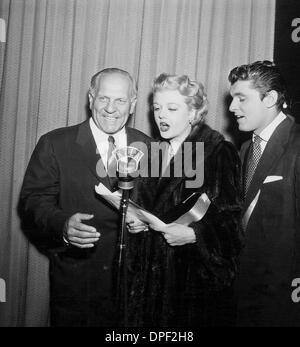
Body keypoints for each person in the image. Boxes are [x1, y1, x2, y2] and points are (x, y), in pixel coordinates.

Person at [19, 68, 152, 327]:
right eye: (103, 98)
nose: (111, 108)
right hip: (78, 286)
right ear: (91, 99)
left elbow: (159, 208)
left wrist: (147, 223)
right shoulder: (55, 143)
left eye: (120, 100)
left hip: (134, 288)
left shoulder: (150, 147)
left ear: (133, 104)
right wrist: (63, 224)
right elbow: (33, 201)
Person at [127, 73, 243, 327]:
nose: (161, 115)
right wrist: (137, 222)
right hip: (149, 287)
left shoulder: (216, 152)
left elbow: (231, 225)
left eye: (171, 108)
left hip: (191, 288)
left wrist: (195, 235)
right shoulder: (156, 152)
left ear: (193, 113)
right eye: (157, 108)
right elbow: (149, 209)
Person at [228, 60, 300, 326]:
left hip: (284, 298)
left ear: (269, 98)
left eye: (241, 99)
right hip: (247, 291)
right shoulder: (246, 148)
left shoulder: (297, 144)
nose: (232, 107)